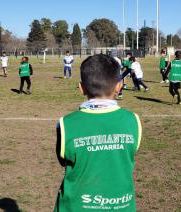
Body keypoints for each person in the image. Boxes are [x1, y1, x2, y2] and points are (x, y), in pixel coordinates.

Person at [54, 54, 142, 212]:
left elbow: (63, 159)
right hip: (122, 206)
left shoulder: (66, 124)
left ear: (81, 88)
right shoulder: (133, 121)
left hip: (76, 206)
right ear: (119, 86)